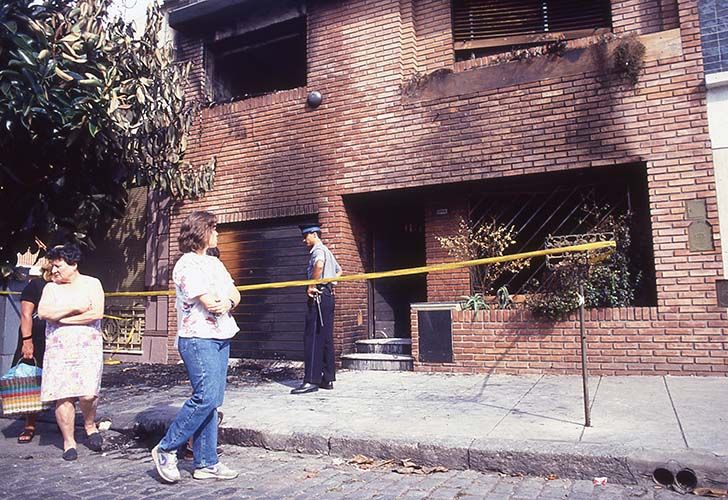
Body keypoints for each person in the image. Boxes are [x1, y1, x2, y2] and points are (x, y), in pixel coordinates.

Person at [151, 211, 240, 483]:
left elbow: (235, 293)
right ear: (201, 231)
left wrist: (229, 302)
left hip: (221, 335)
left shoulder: (214, 263)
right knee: (206, 397)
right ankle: (166, 448)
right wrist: (223, 301)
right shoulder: (186, 265)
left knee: (213, 401)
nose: (218, 234)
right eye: (214, 229)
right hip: (197, 338)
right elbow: (209, 301)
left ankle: (206, 463)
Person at [37, 244, 105, 461]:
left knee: (88, 393)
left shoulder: (92, 283)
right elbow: (44, 312)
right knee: (63, 395)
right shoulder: (51, 288)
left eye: (58, 266)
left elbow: (96, 312)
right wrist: (74, 308)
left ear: (73, 264)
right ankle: (69, 441)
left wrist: (62, 319)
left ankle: (89, 424)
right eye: (52, 266)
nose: (54, 271)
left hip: (88, 347)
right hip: (59, 349)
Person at [291, 223, 342, 395]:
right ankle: (327, 379)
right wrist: (330, 284)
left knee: (312, 337)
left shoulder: (318, 250)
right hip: (327, 295)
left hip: (319, 297)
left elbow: (319, 266)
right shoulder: (327, 250)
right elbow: (339, 271)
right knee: (325, 337)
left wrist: (313, 284)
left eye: (306, 236)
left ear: (314, 234)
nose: (304, 240)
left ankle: (311, 380)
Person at [12, 258, 52, 443]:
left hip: (58, 340)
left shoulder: (67, 287)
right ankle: (29, 424)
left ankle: (63, 420)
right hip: (35, 337)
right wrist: (27, 341)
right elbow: (26, 314)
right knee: (31, 380)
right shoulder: (36, 285)